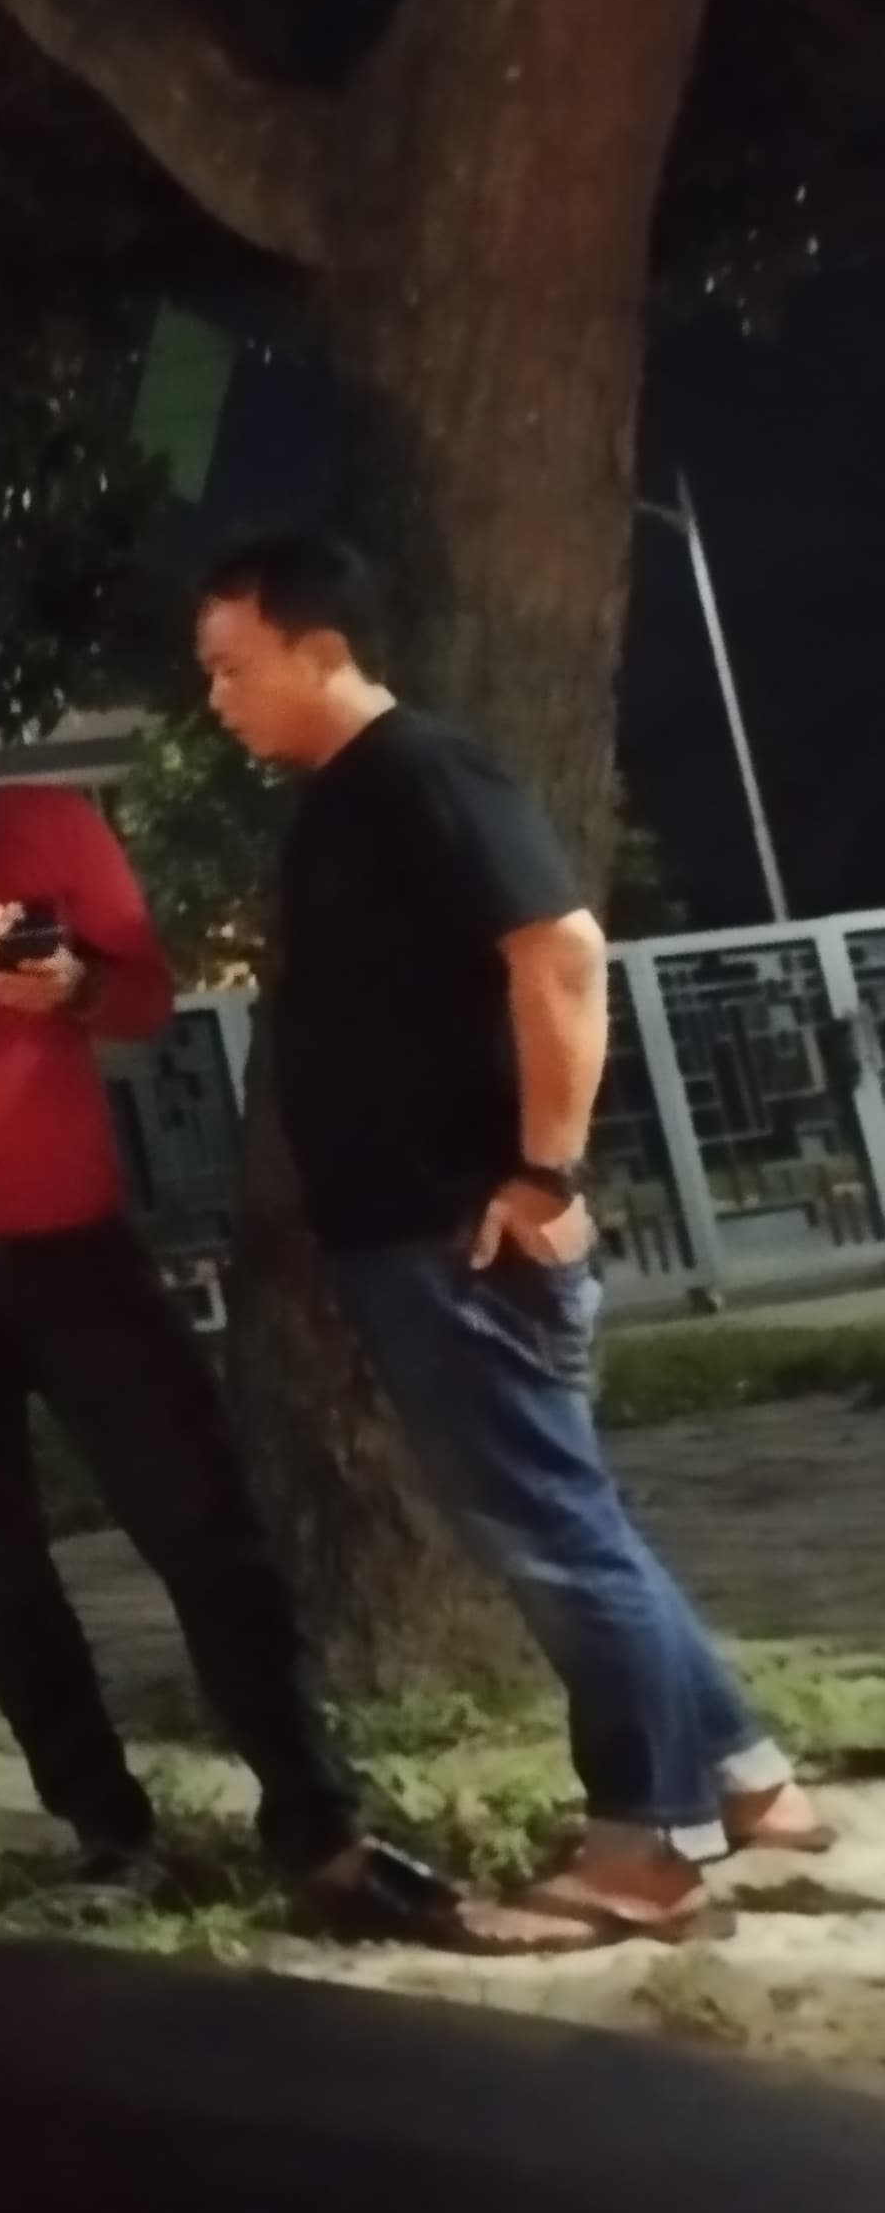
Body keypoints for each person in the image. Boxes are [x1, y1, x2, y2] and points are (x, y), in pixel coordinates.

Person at [0, 616, 507, 1942]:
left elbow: (144, 995)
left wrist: (76, 986)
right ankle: (104, 1828)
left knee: (201, 1519)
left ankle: (315, 1817)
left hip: (72, 1237)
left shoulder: (49, 830)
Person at [199, 530, 833, 1941]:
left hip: (461, 1232)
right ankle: (745, 1779)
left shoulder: (422, 771)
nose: (217, 698)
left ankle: (649, 1847)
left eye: (234, 667)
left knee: (551, 1533)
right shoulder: (349, 795)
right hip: (416, 1228)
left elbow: (562, 950)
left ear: (319, 649)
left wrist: (543, 1170)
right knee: (568, 1513)